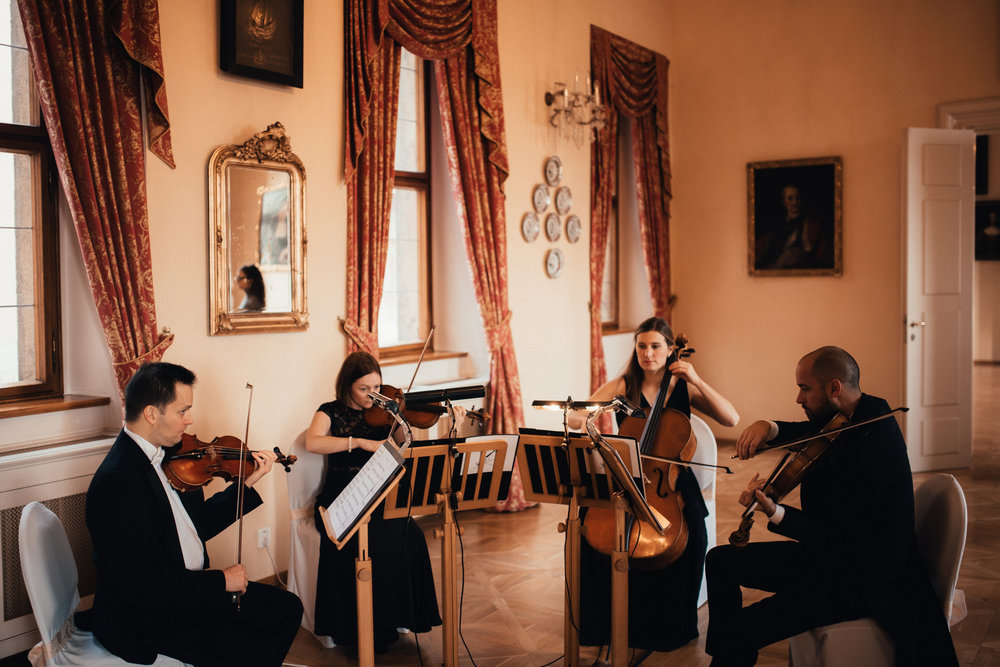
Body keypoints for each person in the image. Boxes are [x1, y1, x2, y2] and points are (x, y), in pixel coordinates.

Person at [704, 346, 958, 666]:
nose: (798, 398)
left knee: (739, 628)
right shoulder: (861, 413)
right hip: (832, 558)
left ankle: (730, 652)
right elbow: (809, 432)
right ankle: (733, 654)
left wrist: (775, 511)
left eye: (804, 388)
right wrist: (768, 426)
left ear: (834, 388)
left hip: (860, 578)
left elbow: (832, 537)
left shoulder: (871, 450)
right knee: (720, 561)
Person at [82, 362, 303, 666]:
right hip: (149, 618)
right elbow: (144, 587)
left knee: (286, 608)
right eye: (182, 411)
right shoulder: (119, 482)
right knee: (251, 640)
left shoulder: (164, 459)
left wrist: (247, 483)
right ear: (151, 414)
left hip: (183, 594)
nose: (191, 420)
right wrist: (220, 582)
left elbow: (194, 525)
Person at [567, 316, 739, 653]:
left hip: (669, 481)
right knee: (588, 533)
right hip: (627, 474)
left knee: (691, 534)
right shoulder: (622, 385)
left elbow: (731, 418)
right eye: (642, 346)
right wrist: (586, 417)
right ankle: (605, 623)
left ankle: (666, 626)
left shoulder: (684, 386)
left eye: (656, 346)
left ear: (671, 348)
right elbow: (577, 416)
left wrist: (697, 379)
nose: (648, 353)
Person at [306, 351, 442, 652]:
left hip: (379, 495)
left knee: (410, 536)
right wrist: (360, 442)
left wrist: (403, 431)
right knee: (363, 543)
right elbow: (312, 442)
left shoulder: (387, 412)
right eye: (364, 389)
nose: (373, 395)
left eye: (377, 387)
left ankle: (397, 617)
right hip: (340, 498)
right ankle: (359, 629)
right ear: (347, 386)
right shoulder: (329, 411)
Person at [755, 184, 832, 270]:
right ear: (784, 202)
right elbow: (765, 245)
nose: (795, 202)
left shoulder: (812, 223)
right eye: (790, 199)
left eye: (797, 198)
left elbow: (821, 251)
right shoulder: (777, 224)